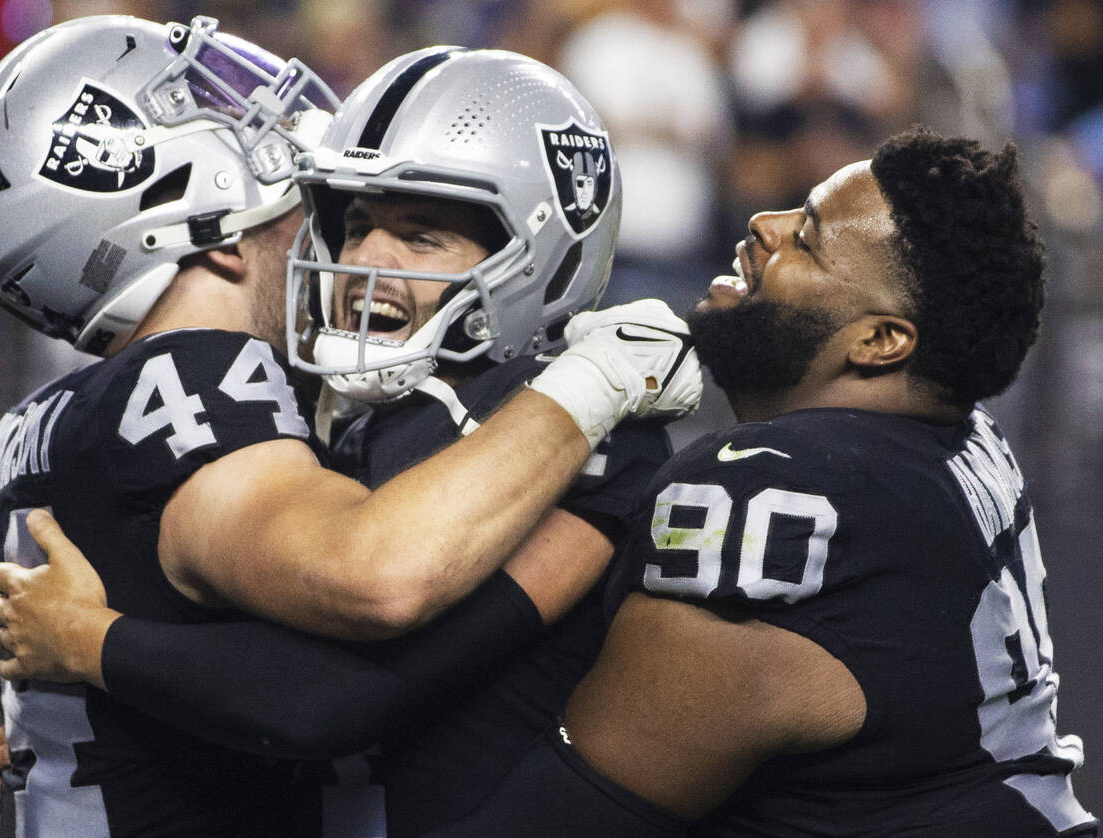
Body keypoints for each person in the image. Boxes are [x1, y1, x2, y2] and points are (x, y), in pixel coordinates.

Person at [0, 19, 700, 838]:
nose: (356, 253)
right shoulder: (242, 390)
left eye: (420, 233)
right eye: (350, 220)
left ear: (534, 254)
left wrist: (86, 666)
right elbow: (354, 626)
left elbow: (331, 694)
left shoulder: (55, 417)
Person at [403, 129, 1099, 836]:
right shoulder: (958, 431)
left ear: (882, 340)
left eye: (809, 239)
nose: (766, 226)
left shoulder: (772, 498)